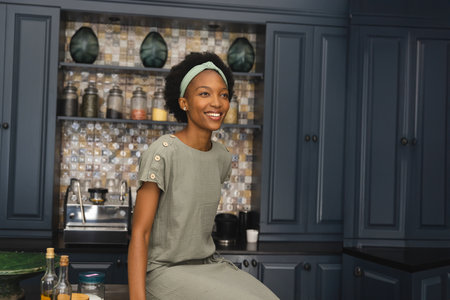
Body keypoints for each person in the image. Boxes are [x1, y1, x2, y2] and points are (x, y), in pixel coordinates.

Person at [128, 52, 279, 300]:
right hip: (165, 271)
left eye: (223, 94)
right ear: (184, 103)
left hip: (208, 265)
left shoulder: (221, 157)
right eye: (204, 93)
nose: (217, 103)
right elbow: (140, 234)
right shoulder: (162, 153)